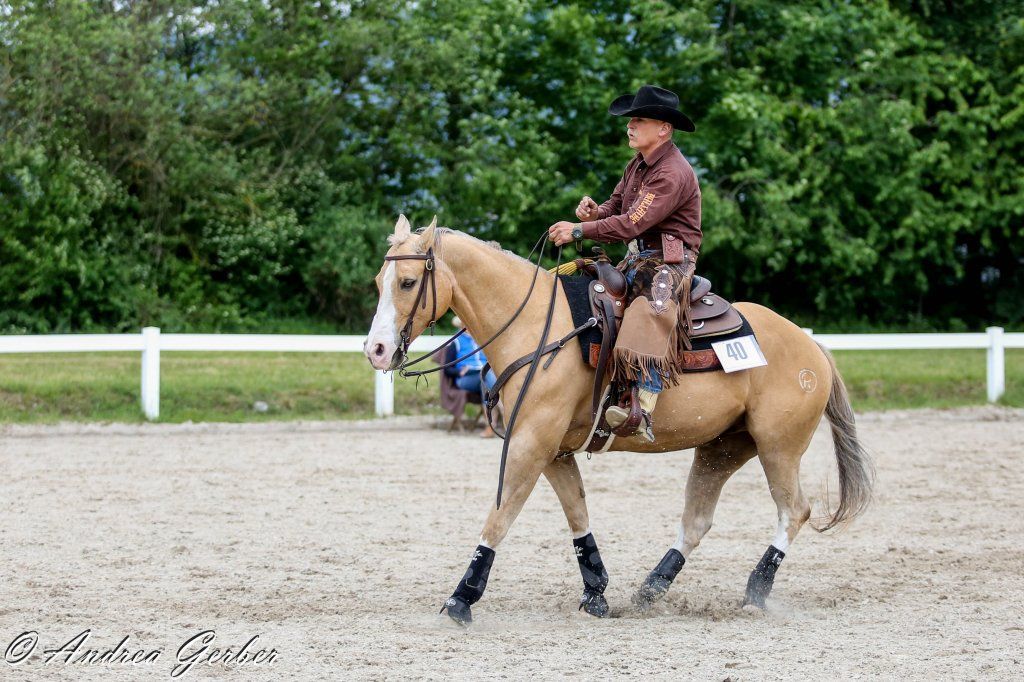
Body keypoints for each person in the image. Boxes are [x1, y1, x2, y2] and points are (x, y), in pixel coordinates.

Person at [548, 85, 702, 443]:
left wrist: (579, 229)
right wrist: (594, 213)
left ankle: (643, 406)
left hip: (670, 262)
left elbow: (632, 223)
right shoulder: (638, 165)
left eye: (639, 120)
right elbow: (616, 207)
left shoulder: (671, 172)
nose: (630, 126)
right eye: (631, 120)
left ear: (664, 128)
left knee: (647, 310)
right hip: (639, 256)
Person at [447, 317, 498, 437]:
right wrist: (459, 372)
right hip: (465, 379)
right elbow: (447, 369)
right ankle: (498, 413)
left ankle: (491, 425)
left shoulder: (481, 339)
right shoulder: (456, 342)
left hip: (485, 377)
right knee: (486, 380)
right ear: (461, 324)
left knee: (485, 380)